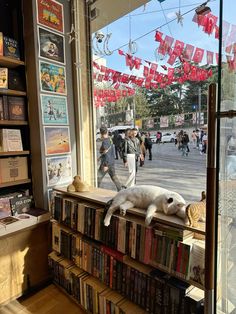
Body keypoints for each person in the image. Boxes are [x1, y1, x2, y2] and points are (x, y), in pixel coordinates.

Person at [97, 126, 122, 191]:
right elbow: (108, 152)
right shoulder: (110, 139)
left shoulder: (105, 141)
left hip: (106, 163)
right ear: (107, 132)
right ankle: (120, 189)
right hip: (111, 162)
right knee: (114, 177)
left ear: (101, 133)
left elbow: (107, 154)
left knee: (98, 177)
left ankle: (96, 189)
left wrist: (105, 165)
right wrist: (100, 157)